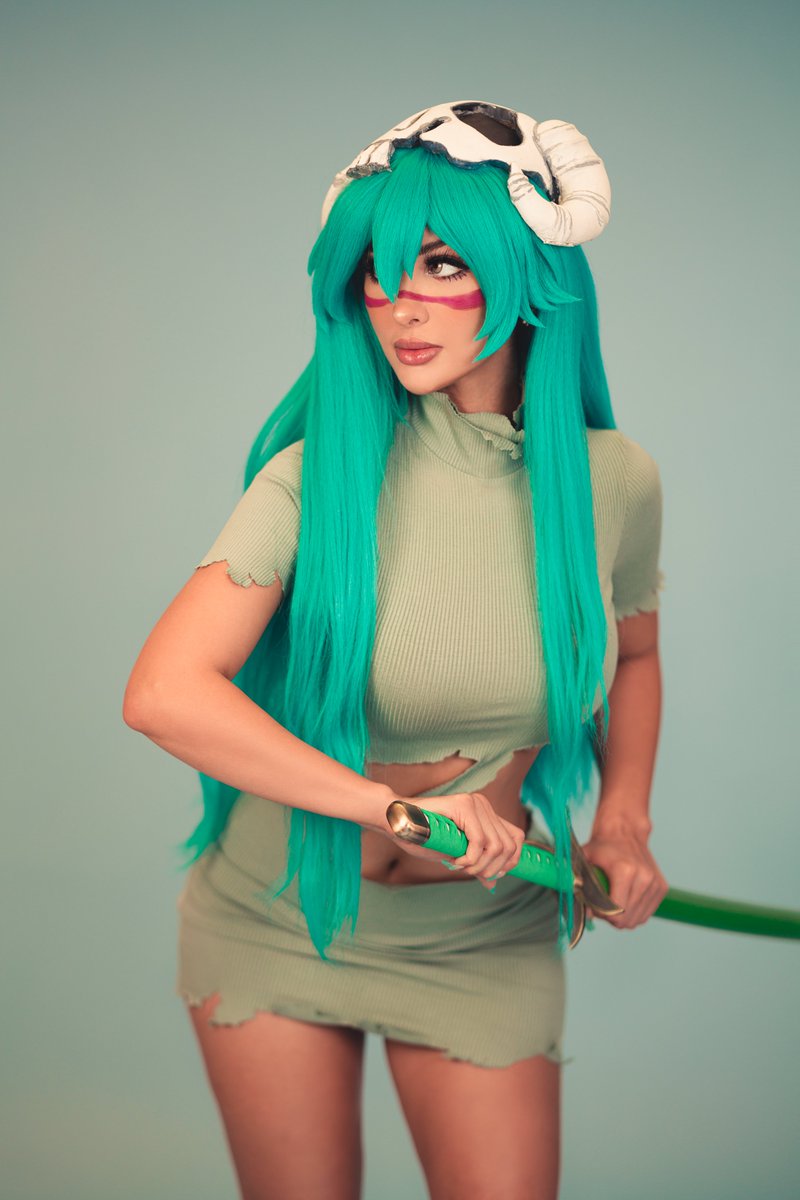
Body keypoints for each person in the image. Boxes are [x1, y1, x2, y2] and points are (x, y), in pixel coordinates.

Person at [123, 101, 669, 1200]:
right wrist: (390, 811)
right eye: (377, 269)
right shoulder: (314, 480)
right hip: (277, 912)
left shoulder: (614, 482)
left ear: (523, 274)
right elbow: (164, 693)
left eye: (439, 264)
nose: (400, 303)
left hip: (483, 932)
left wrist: (621, 817)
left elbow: (636, 657)